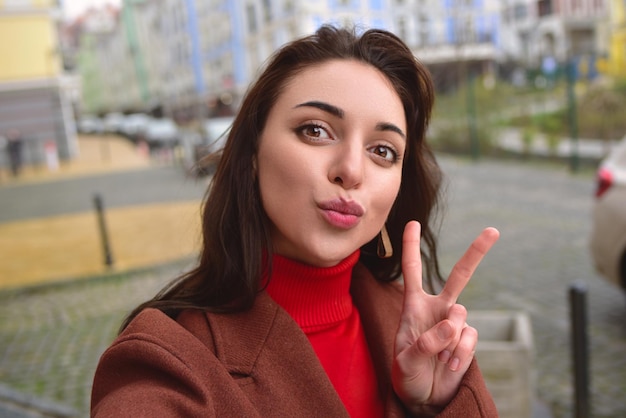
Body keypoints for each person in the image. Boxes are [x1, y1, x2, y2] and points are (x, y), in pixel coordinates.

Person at [91, 25, 500, 417]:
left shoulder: (422, 337)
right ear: (252, 154)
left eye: (383, 150)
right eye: (316, 130)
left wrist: (432, 408)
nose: (351, 170)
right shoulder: (169, 361)